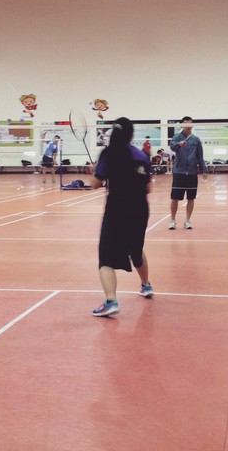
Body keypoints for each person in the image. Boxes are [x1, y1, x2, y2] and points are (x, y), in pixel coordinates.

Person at [91, 117, 153, 317]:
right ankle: (146, 285)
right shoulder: (142, 156)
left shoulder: (108, 154)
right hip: (140, 210)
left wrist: (94, 171)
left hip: (116, 211)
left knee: (106, 258)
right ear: (131, 135)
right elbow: (148, 188)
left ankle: (111, 301)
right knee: (136, 250)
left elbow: (95, 184)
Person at [169, 116, 208, 229]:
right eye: (185, 123)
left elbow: (200, 156)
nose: (188, 125)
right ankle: (172, 220)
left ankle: (187, 221)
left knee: (191, 198)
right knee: (175, 197)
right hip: (179, 171)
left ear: (192, 125)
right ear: (182, 125)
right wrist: (178, 144)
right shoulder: (176, 137)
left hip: (192, 172)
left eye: (190, 123)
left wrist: (203, 170)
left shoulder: (196, 139)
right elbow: (172, 147)